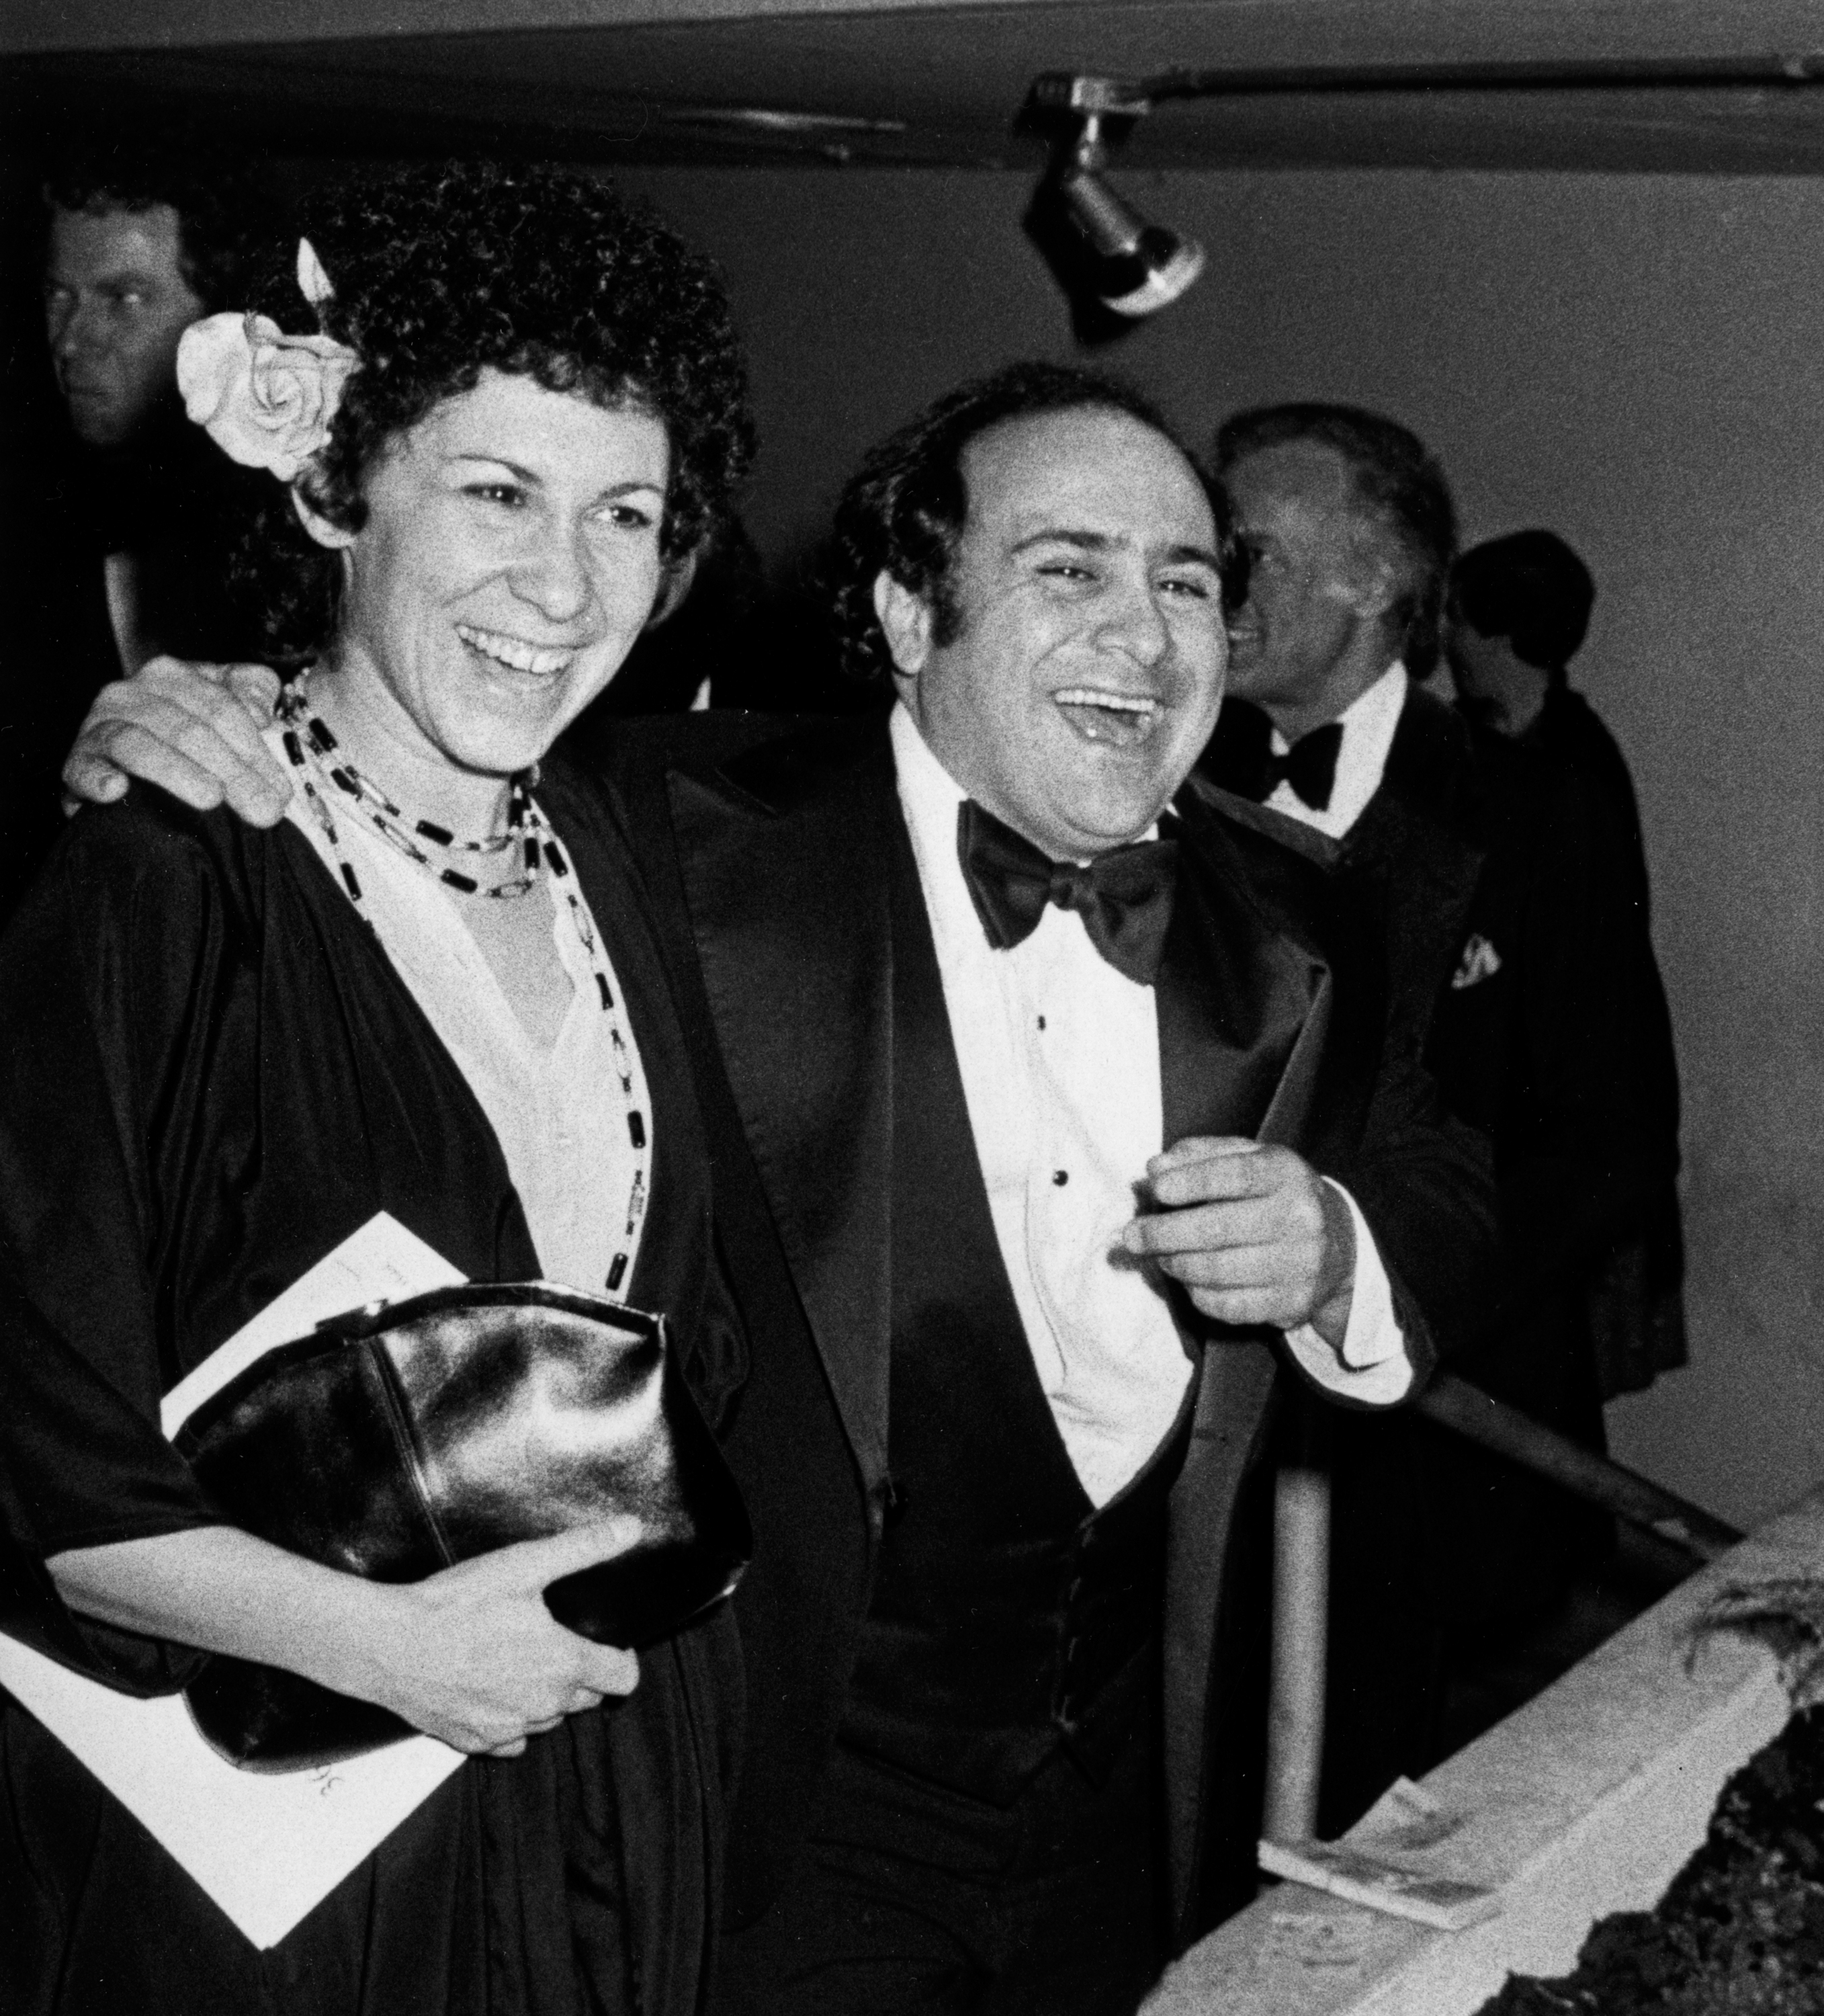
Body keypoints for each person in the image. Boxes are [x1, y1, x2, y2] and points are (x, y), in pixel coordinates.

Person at [71, 364, 1502, 2014]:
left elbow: (1445, 1179)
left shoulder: (1307, 912)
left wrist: (1336, 1246)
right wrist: (202, 722)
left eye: (1182, 580)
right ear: (907, 611)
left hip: (1117, 1807)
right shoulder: (652, 830)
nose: (1145, 634)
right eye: (1065, 570)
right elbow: (397, 759)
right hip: (765, 1800)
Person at [0, 158, 755, 2016]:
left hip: (581, 1809)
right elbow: (40, 1466)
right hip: (258, 1858)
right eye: (495, 492)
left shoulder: (638, 855)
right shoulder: (166, 876)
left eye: (626, 516)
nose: (562, 585)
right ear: (338, 492)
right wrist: (394, 1650)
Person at [1199, 403, 1669, 1830]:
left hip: (1431, 1442)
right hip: (1197, 1442)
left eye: (1246, 553)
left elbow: (1605, 1135)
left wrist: (1386, 1299)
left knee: (1380, 1829)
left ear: (1379, 590)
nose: (1206, 584)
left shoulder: (1537, 819)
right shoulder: (1157, 781)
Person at [1, 131, 275, 923]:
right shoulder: (37, 533)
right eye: (59, 296)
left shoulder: (311, 545)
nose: (73, 341)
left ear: (227, 322)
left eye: (124, 298)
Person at [1448, 530, 1684, 1400]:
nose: (1443, 639)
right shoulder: (1492, 752)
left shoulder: (1566, 773)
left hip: (1557, 1123)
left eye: (1453, 617)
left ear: (1495, 631)